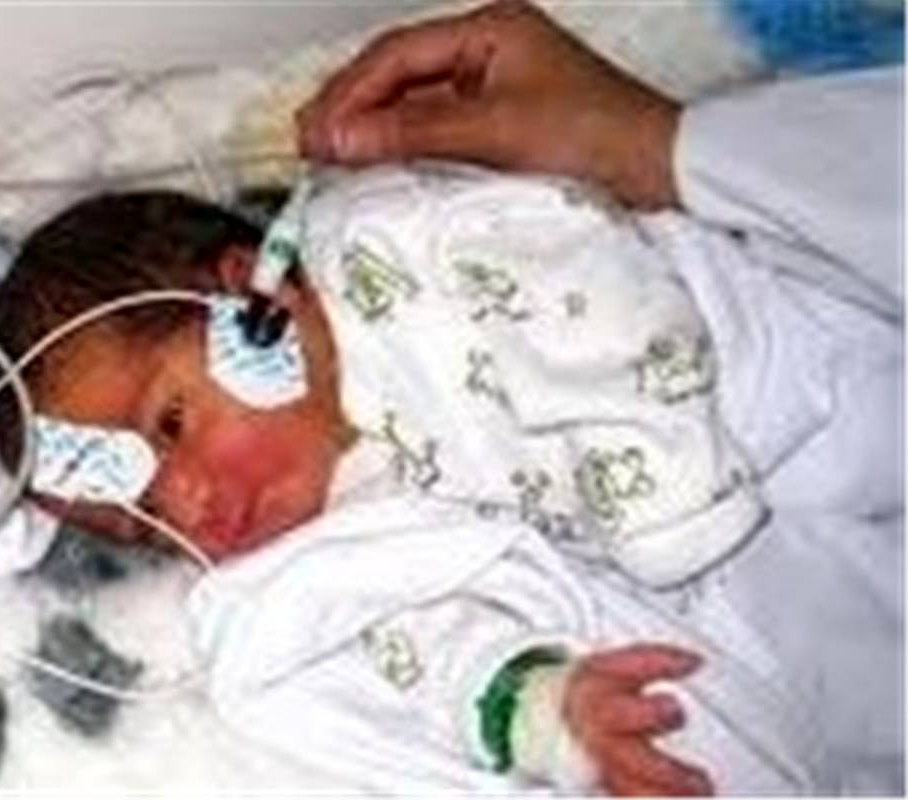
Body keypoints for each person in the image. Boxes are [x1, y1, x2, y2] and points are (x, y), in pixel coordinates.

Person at [295, 0, 904, 793]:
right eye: (154, 515)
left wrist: (652, 146)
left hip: (782, 372)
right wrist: (543, 711)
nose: (192, 497)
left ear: (248, 295)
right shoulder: (327, 547)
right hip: (770, 590)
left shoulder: (375, 239)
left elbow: (565, 263)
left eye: (175, 422)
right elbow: (440, 645)